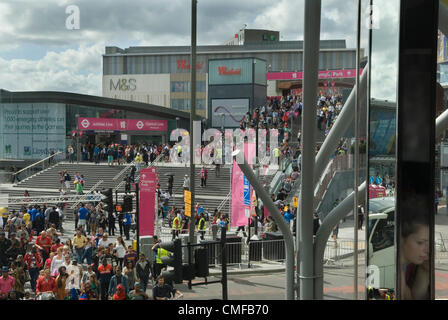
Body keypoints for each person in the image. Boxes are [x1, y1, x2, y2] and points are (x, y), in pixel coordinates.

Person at [400, 216, 430, 300]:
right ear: (402, 240)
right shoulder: (394, 272)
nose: (427, 250)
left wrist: (424, 271)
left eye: (429, 244)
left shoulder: (404, 268)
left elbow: (414, 297)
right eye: (420, 243)